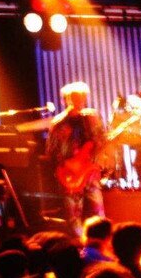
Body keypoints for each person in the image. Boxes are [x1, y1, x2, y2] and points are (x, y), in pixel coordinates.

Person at [46, 81, 106, 237]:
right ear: (65, 99)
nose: (79, 101)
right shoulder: (58, 123)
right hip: (69, 174)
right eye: (74, 97)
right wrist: (66, 165)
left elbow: (102, 140)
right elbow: (51, 151)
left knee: (98, 212)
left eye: (82, 97)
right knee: (73, 215)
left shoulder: (92, 117)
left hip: (90, 172)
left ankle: (100, 241)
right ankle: (81, 244)